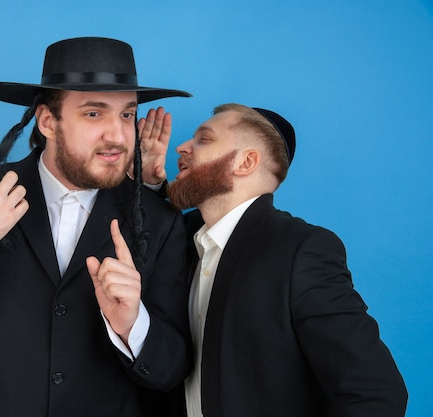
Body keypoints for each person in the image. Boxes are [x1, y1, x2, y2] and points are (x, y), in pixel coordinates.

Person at [0, 37, 193, 417]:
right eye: (94, 114)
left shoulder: (158, 220)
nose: (118, 135)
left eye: (126, 114)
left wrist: (133, 325)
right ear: (48, 121)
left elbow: (172, 373)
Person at [165, 103, 408, 417]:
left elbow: (374, 393)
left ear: (246, 162)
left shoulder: (301, 250)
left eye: (204, 139)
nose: (182, 147)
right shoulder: (183, 241)